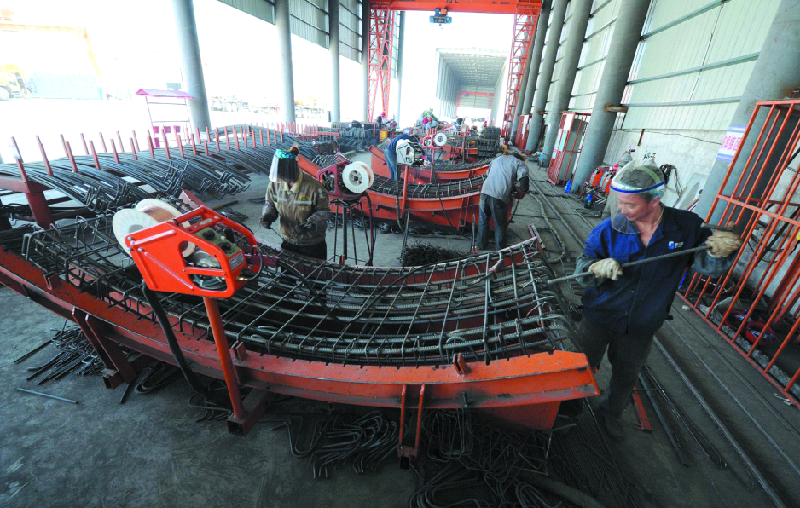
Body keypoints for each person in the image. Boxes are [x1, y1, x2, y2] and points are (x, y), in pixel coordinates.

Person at [574, 159, 742, 441]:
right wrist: (594, 269)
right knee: (580, 365)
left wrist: (720, 252)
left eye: (630, 205)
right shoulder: (610, 228)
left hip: (642, 322)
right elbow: (581, 271)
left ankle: (612, 413)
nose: (622, 210)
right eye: (620, 202)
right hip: (600, 315)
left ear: (655, 200)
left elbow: (708, 267)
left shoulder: (687, 228)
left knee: (627, 375)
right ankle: (570, 407)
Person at [260, 156, 330, 260]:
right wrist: (268, 215)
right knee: (288, 275)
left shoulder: (314, 187)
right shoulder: (275, 184)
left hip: (312, 244)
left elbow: (324, 212)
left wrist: (308, 225)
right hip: (288, 242)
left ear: (296, 169)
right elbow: (270, 203)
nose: (285, 181)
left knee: (314, 275)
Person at [477, 153, 529, 250]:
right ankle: (500, 250)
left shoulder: (498, 159)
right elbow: (524, 181)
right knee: (500, 224)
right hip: (499, 196)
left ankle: (481, 245)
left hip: (485, 192)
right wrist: (521, 191)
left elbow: (489, 174)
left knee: (483, 221)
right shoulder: (519, 163)